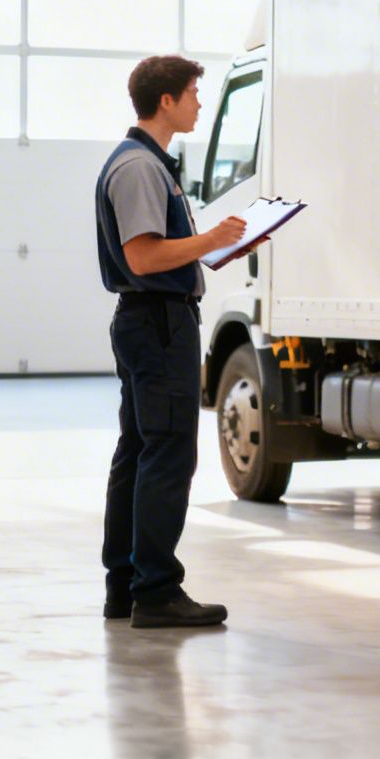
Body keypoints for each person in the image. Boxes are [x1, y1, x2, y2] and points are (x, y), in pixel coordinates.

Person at [96, 55, 247, 629]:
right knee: (166, 454)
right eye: (192, 94)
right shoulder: (138, 168)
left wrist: (216, 246)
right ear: (166, 101)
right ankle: (155, 590)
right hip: (158, 324)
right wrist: (207, 237)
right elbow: (143, 256)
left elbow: (162, 250)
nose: (199, 104)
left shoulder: (149, 164)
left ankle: (127, 588)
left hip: (149, 319)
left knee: (139, 452)